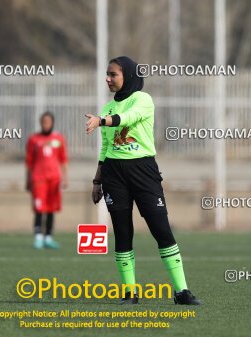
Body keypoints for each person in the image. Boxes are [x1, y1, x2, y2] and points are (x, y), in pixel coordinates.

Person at [85, 56, 201, 305]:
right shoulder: (106, 107)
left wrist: (101, 121)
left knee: (161, 230)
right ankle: (129, 293)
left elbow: (129, 119)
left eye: (113, 74)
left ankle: (182, 292)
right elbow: (106, 147)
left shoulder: (143, 100)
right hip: (114, 174)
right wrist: (97, 181)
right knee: (123, 233)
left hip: (143, 171)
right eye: (107, 74)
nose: (108, 78)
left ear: (127, 75)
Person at [26, 111, 68, 249]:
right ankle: (38, 236)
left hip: (54, 180)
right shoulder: (34, 139)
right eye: (44, 122)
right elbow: (29, 162)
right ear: (41, 123)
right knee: (39, 208)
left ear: (52, 123)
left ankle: (48, 237)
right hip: (38, 179)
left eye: (48, 122)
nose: (46, 124)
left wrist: (65, 177)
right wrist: (27, 180)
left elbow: (63, 159)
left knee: (51, 208)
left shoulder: (58, 139)